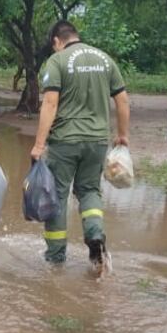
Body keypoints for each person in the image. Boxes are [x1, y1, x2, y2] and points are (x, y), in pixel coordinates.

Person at [29, 20, 130, 272]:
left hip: (65, 141)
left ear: (56, 41)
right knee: (89, 190)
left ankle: (55, 257)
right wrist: (122, 135)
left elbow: (50, 103)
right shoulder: (105, 59)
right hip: (97, 141)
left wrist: (39, 145)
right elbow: (122, 100)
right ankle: (95, 235)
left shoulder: (57, 61)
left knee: (57, 196)